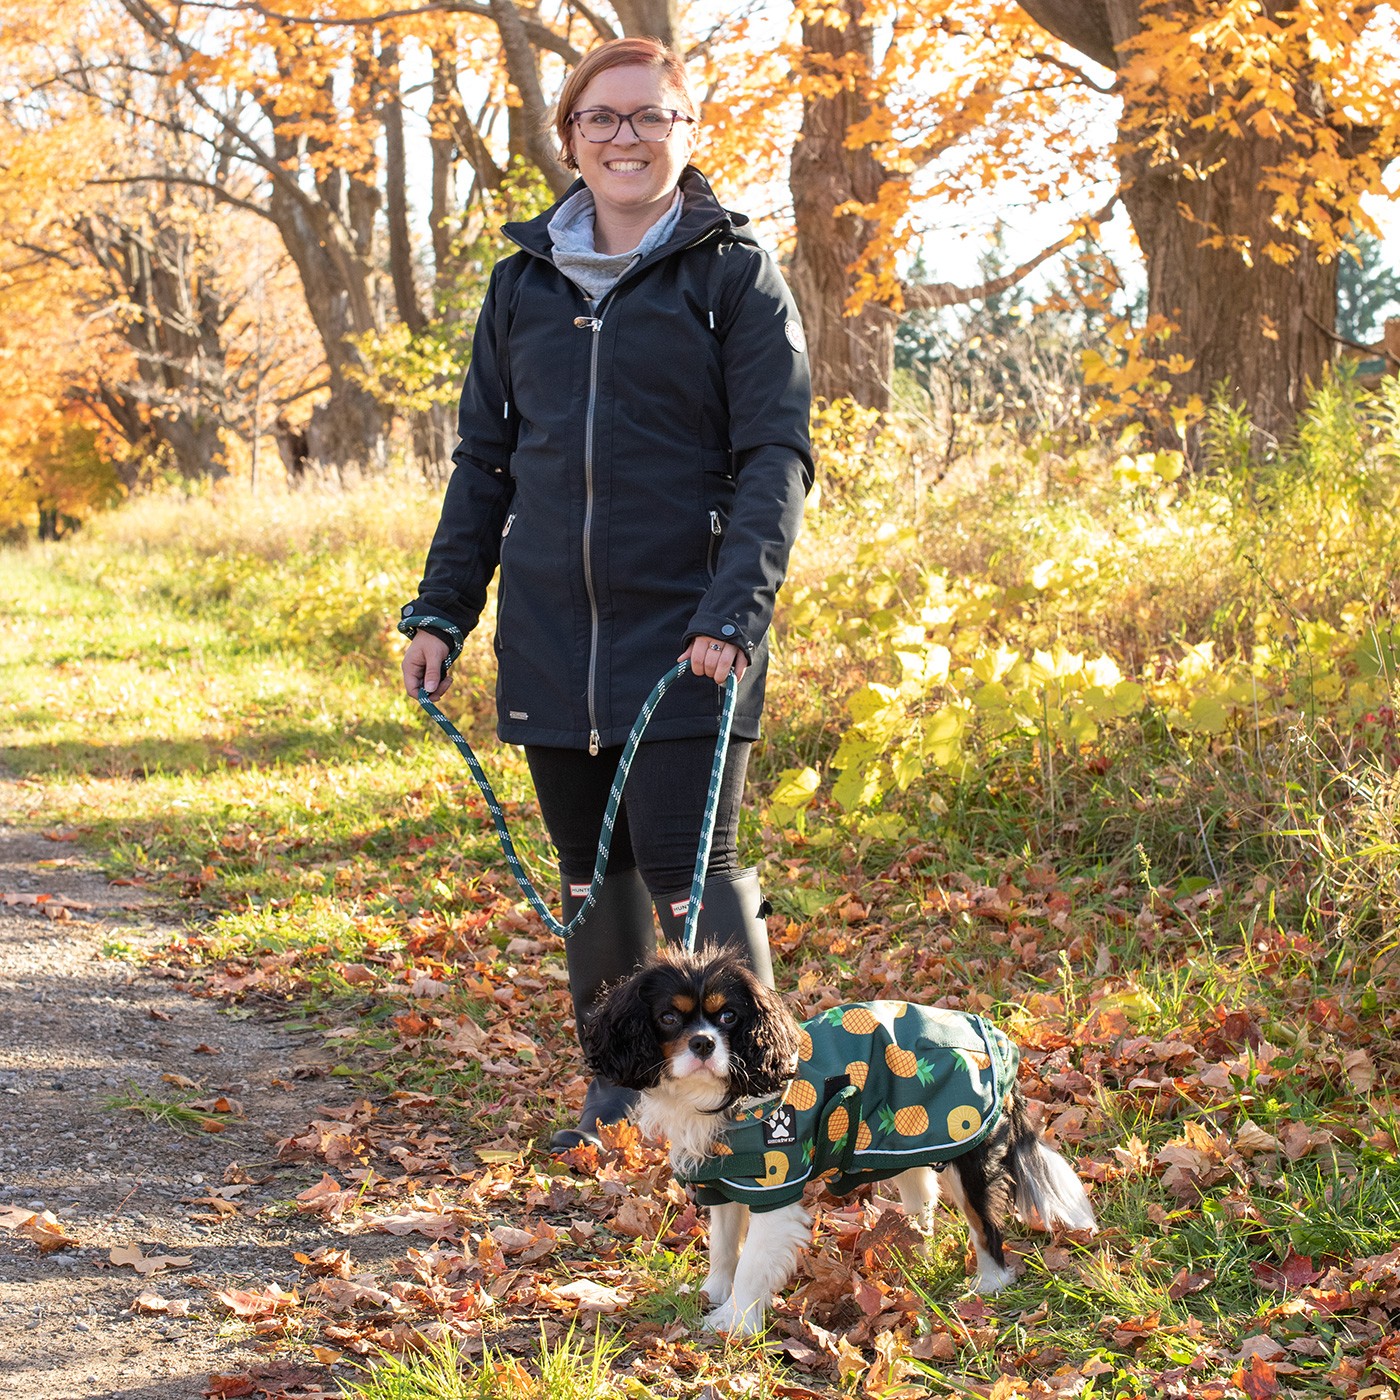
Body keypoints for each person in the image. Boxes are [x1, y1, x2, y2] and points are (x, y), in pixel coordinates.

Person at [398, 36, 813, 1149]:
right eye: (603, 119)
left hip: (691, 627)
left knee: (695, 870)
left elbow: (775, 456)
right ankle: (617, 1087)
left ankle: (759, 1098)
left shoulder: (732, 272)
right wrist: (442, 609)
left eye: (648, 117)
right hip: (549, 628)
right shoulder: (519, 282)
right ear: (570, 136)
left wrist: (733, 612)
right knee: (593, 873)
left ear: (688, 133)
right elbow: (484, 462)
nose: (625, 137)